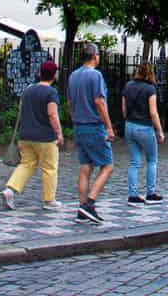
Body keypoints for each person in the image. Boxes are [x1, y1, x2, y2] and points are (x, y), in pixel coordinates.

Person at [1, 60, 65, 211]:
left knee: (26, 164)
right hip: (45, 138)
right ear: (54, 75)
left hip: (26, 135)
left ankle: (10, 190)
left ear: (40, 73)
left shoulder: (28, 90)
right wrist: (59, 133)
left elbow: (21, 110)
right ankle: (49, 200)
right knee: (49, 167)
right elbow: (52, 115)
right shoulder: (51, 92)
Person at [68, 42, 116, 224]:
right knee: (107, 166)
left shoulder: (73, 76)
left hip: (79, 125)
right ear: (95, 56)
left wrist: (75, 119)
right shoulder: (95, 75)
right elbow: (99, 102)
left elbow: (70, 102)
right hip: (94, 126)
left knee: (85, 167)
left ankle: (82, 209)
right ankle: (89, 203)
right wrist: (109, 127)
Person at [122, 62, 166, 205]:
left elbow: (124, 109)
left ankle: (132, 195)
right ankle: (150, 193)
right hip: (145, 127)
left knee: (134, 162)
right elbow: (153, 112)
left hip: (129, 125)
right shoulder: (150, 89)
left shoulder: (128, 86)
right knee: (152, 160)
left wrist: (128, 119)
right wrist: (159, 130)